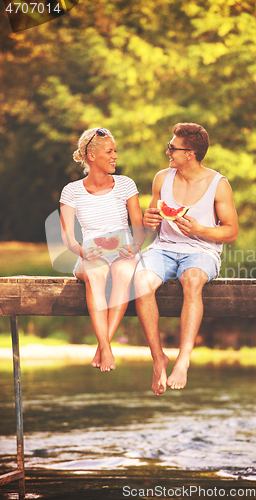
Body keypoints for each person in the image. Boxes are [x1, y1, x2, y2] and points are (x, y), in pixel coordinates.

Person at [134, 122, 238, 395]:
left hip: (202, 251)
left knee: (191, 281)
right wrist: (148, 220)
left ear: (190, 153)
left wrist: (200, 230)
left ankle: (183, 359)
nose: (167, 151)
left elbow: (231, 230)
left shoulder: (218, 184)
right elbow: (151, 228)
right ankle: (159, 358)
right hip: (163, 248)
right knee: (140, 283)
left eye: (172, 148)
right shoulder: (161, 178)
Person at [60, 128, 144, 372]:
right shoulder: (71, 191)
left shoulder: (126, 184)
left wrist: (135, 246)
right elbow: (67, 237)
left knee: (124, 274)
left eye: (115, 151)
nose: (115, 156)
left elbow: (138, 228)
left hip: (124, 251)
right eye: (110, 151)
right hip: (90, 254)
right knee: (96, 275)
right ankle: (107, 348)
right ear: (92, 155)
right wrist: (83, 252)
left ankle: (102, 347)